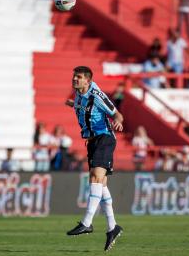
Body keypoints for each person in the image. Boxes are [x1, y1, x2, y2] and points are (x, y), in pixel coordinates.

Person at [65, 66, 124, 251]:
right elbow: (81, 107)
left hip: (104, 138)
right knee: (102, 186)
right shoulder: (79, 96)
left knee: (95, 177)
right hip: (91, 142)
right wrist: (71, 104)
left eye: (79, 77)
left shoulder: (96, 94)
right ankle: (112, 227)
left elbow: (115, 112)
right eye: (74, 76)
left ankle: (87, 222)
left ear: (88, 81)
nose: (75, 79)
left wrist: (119, 120)